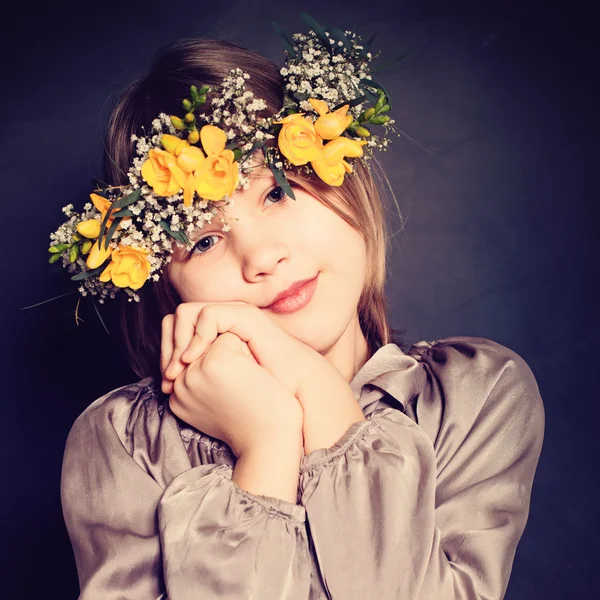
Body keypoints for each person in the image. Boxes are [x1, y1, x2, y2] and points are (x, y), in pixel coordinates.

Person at [57, 21, 545, 600]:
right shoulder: (123, 441)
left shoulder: (475, 395)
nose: (261, 256)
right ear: (163, 278)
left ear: (345, 173)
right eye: (205, 240)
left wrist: (315, 387)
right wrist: (266, 444)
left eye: (276, 192)